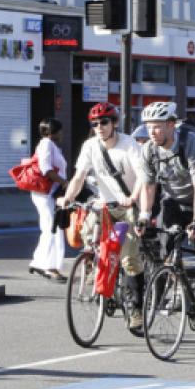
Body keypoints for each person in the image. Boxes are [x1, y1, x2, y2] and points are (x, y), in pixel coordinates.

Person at [134, 102, 195, 332]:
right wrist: (144, 216)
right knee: (167, 248)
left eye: (157, 127)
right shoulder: (149, 149)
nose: (152, 132)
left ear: (170, 126)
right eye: (149, 127)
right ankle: (181, 286)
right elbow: (148, 187)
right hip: (173, 200)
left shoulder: (191, 143)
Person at [57, 103, 145, 331]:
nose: (99, 127)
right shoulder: (90, 146)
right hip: (104, 205)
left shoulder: (129, 145)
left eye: (104, 122)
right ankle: (99, 275)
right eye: (95, 124)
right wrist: (68, 197)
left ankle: (136, 310)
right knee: (88, 234)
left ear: (114, 123)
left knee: (129, 257)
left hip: (127, 207)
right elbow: (79, 177)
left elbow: (143, 178)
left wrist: (133, 198)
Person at [29, 117, 69, 281]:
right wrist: (65, 182)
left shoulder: (50, 145)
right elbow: (46, 168)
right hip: (46, 193)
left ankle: (39, 261)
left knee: (51, 227)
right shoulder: (46, 144)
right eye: (59, 130)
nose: (62, 133)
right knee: (52, 228)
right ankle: (49, 266)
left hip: (49, 193)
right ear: (52, 132)